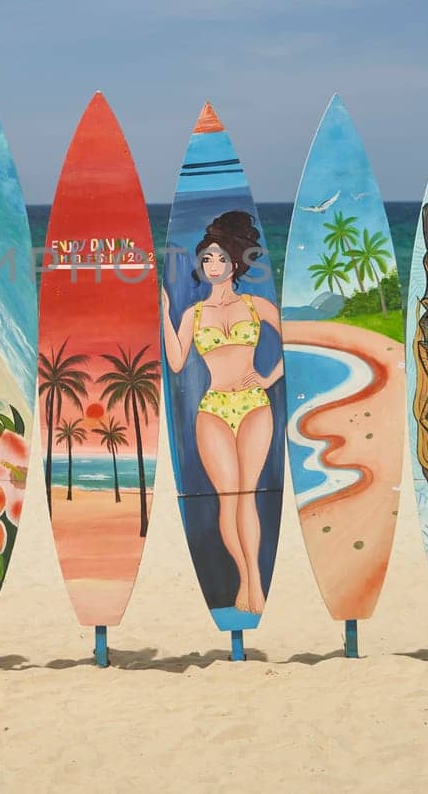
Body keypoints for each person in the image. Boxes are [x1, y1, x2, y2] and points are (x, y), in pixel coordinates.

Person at [161, 211, 281, 613]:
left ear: (234, 262)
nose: (212, 266)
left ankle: (256, 585)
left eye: (219, 259)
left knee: (248, 495)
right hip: (212, 409)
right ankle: (246, 579)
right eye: (206, 260)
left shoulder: (256, 305)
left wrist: (268, 377)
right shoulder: (192, 314)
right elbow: (177, 363)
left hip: (253, 407)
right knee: (229, 499)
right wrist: (163, 310)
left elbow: (294, 339)